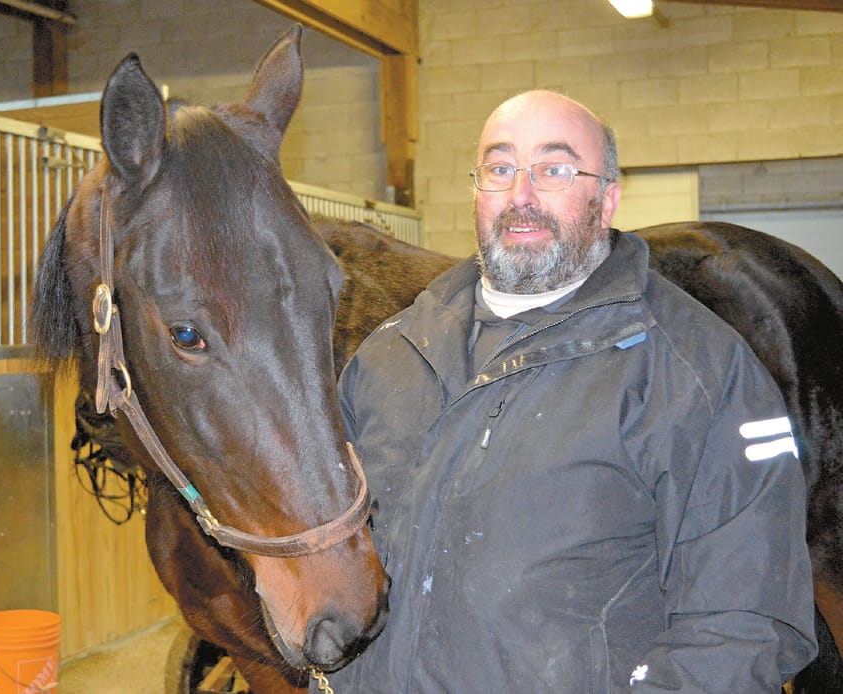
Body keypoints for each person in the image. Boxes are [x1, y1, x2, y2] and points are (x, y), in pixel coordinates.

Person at [321, 91, 817, 692]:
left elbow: (744, 624)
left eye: (554, 169)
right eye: (500, 169)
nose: (521, 197)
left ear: (606, 198)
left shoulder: (700, 374)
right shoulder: (389, 354)